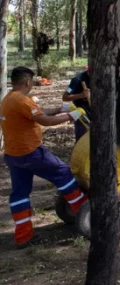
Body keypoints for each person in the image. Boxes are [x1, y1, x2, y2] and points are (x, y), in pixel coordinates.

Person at [2, 66, 87, 248]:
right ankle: (83, 212)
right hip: (30, 152)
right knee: (63, 172)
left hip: (13, 155)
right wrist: (70, 116)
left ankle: (23, 236)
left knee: (20, 193)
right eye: (32, 82)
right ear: (28, 81)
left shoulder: (8, 99)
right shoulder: (23, 101)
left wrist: (58, 109)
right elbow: (45, 122)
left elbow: (38, 114)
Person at [62, 68, 91, 141]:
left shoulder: (101, 77)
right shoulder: (76, 80)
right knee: (82, 137)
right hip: (81, 113)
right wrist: (81, 95)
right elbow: (65, 97)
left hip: (96, 112)